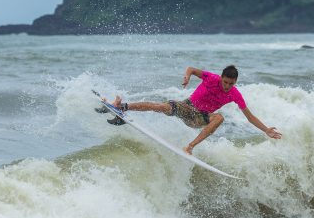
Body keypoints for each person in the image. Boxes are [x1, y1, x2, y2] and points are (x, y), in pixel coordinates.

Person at [104, 65, 282, 154]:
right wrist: (187, 77)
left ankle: (189, 147)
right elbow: (191, 69)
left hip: (200, 118)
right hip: (187, 106)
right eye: (225, 82)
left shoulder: (235, 94)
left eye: (231, 83)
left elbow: (249, 116)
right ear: (221, 78)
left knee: (219, 117)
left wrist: (266, 130)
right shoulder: (211, 78)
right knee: (162, 106)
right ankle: (123, 107)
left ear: (235, 82)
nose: (227, 86)